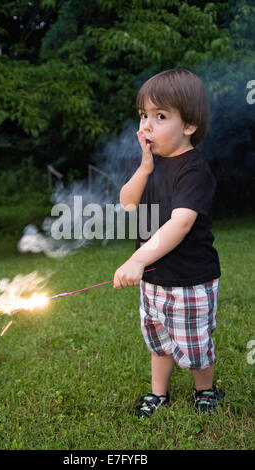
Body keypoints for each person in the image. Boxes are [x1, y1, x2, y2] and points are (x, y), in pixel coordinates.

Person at [113, 69, 225, 416]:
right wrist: (145, 167)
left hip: (190, 280)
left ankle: (204, 389)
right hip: (155, 279)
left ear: (188, 125)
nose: (147, 125)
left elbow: (180, 224)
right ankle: (158, 394)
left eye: (160, 116)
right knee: (159, 341)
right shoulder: (152, 164)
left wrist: (137, 260)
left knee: (194, 342)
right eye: (144, 116)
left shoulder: (193, 170)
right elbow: (127, 203)